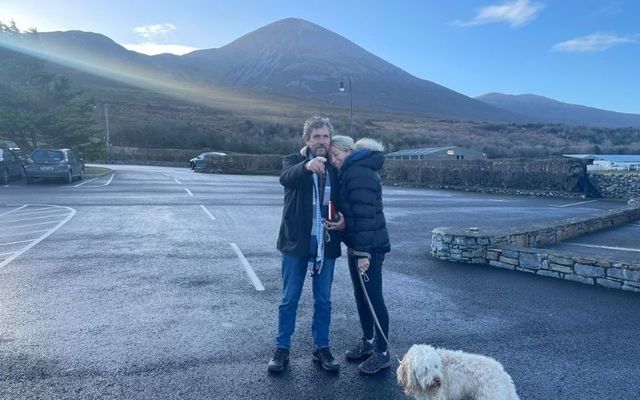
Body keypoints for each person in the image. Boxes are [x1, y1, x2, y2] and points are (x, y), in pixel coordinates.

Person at [268, 116, 343, 374]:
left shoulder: (336, 167)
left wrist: (343, 223)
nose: (321, 141)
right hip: (296, 243)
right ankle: (282, 349)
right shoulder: (294, 162)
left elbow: (343, 202)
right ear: (307, 140)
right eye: (316, 137)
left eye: (325, 136)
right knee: (289, 299)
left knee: (324, 300)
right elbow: (285, 178)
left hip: (326, 243)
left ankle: (321, 348)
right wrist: (307, 166)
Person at [326, 135, 392, 375]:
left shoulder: (359, 172)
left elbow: (366, 217)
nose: (334, 160)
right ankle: (368, 340)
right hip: (358, 245)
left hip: (368, 248)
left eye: (337, 154)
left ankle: (383, 352)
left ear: (349, 151)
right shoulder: (352, 170)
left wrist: (363, 253)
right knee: (361, 296)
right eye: (331, 156)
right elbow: (354, 214)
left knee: (373, 298)